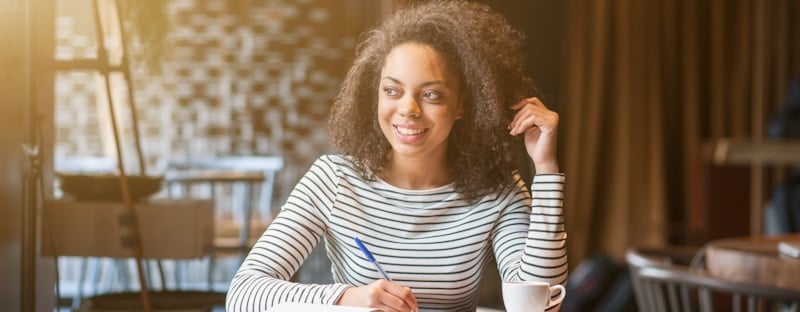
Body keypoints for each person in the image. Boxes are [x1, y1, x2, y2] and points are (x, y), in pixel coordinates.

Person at [226, 1, 567, 311]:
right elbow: (243, 293)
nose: (408, 109)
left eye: (431, 94)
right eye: (392, 90)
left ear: (463, 103)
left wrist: (547, 170)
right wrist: (350, 298)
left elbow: (541, 306)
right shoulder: (334, 180)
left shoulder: (498, 191)